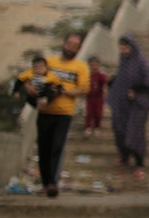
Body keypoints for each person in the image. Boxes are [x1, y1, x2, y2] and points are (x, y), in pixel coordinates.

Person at [28, 33, 90, 198]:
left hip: (64, 114)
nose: (71, 48)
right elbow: (35, 77)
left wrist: (67, 91)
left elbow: (84, 89)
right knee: (44, 148)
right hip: (45, 112)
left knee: (57, 147)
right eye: (69, 44)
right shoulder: (49, 62)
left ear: (78, 49)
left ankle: (52, 183)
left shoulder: (81, 67)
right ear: (64, 44)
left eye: (75, 46)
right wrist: (34, 90)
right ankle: (45, 182)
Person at [108, 34, 149, 180]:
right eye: (121, 47)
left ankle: (139, 163)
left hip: (138, 105)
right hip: (123, 104)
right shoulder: (124, 61)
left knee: (135, 133)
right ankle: (124, 155)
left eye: (126, 46)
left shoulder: (141, 62)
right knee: (119, 129)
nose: (123, 49)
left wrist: (136, 90)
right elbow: (122, 78)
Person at [84, 55, 109, 137]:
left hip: (99, 97)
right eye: (92, 65)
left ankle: (97, 126)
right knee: (89, 112)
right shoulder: (88, 75)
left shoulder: (101, 75)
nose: (94, 67)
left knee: (98, 113)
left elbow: (105, 82)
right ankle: (88, 127)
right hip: (90, 97)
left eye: (96, 65)